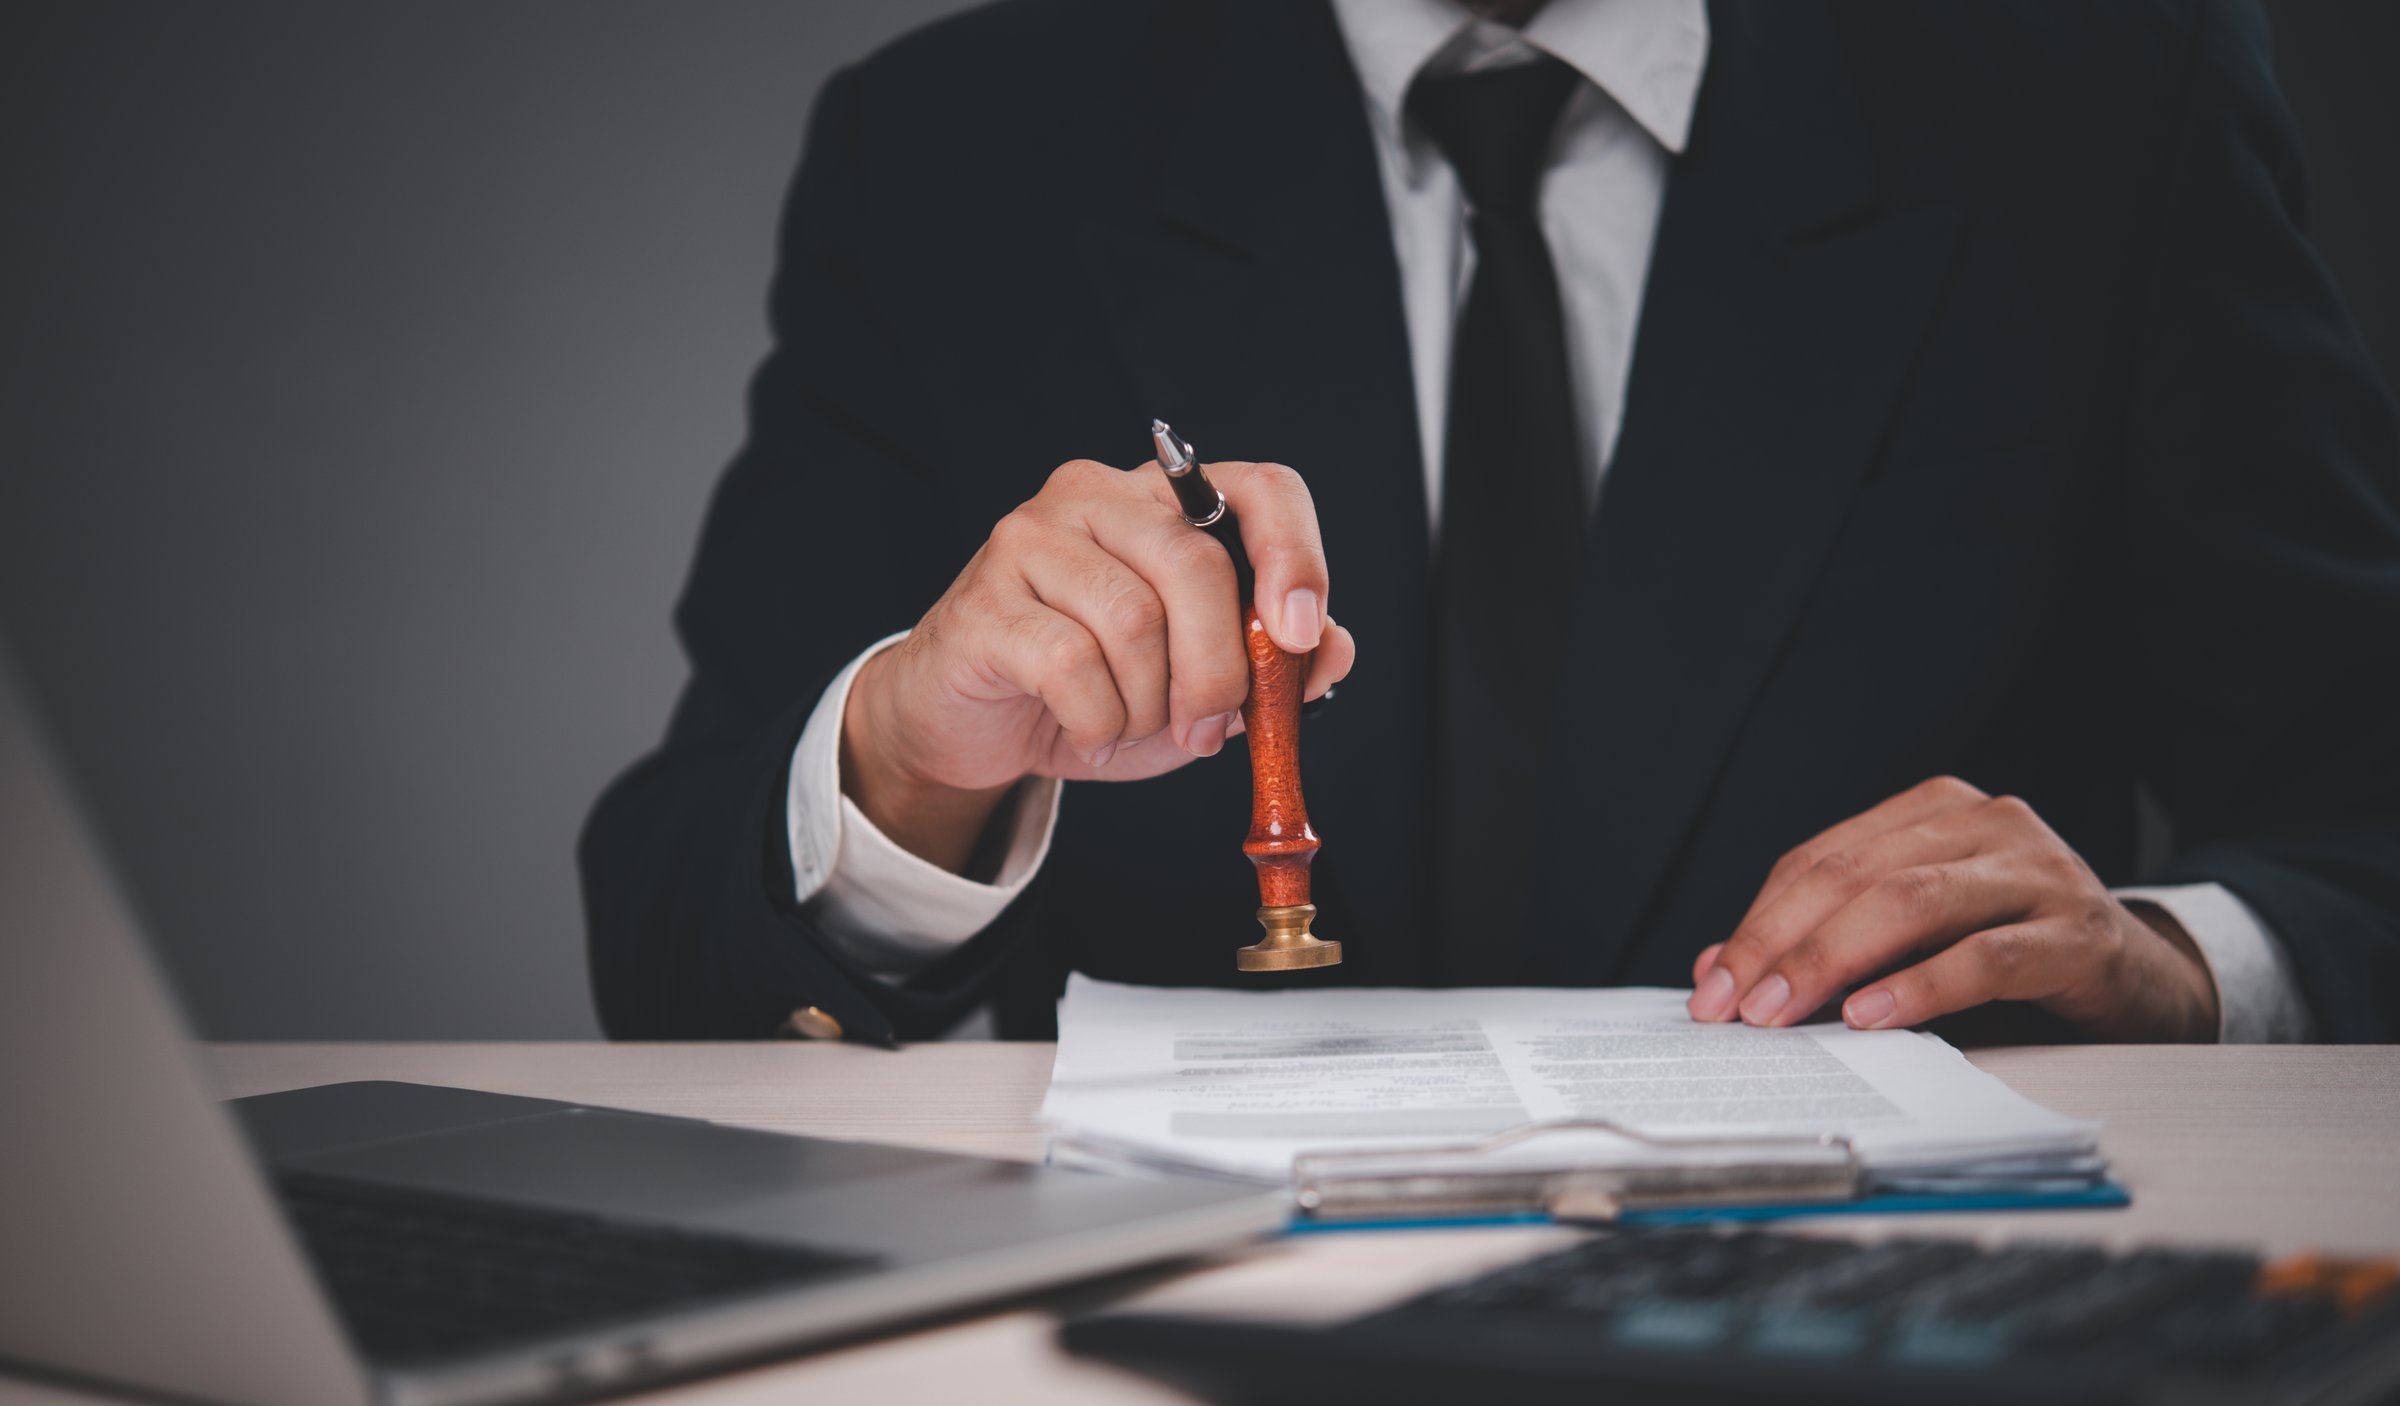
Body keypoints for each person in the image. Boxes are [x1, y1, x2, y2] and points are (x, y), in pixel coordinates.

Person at [580, 0, 2400, 1046]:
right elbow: (671, 930)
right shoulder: (955, 147)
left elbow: (2364, 812)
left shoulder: (2102, 90)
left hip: (1895, 1358)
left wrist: (2177, 966)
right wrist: (907, 763)